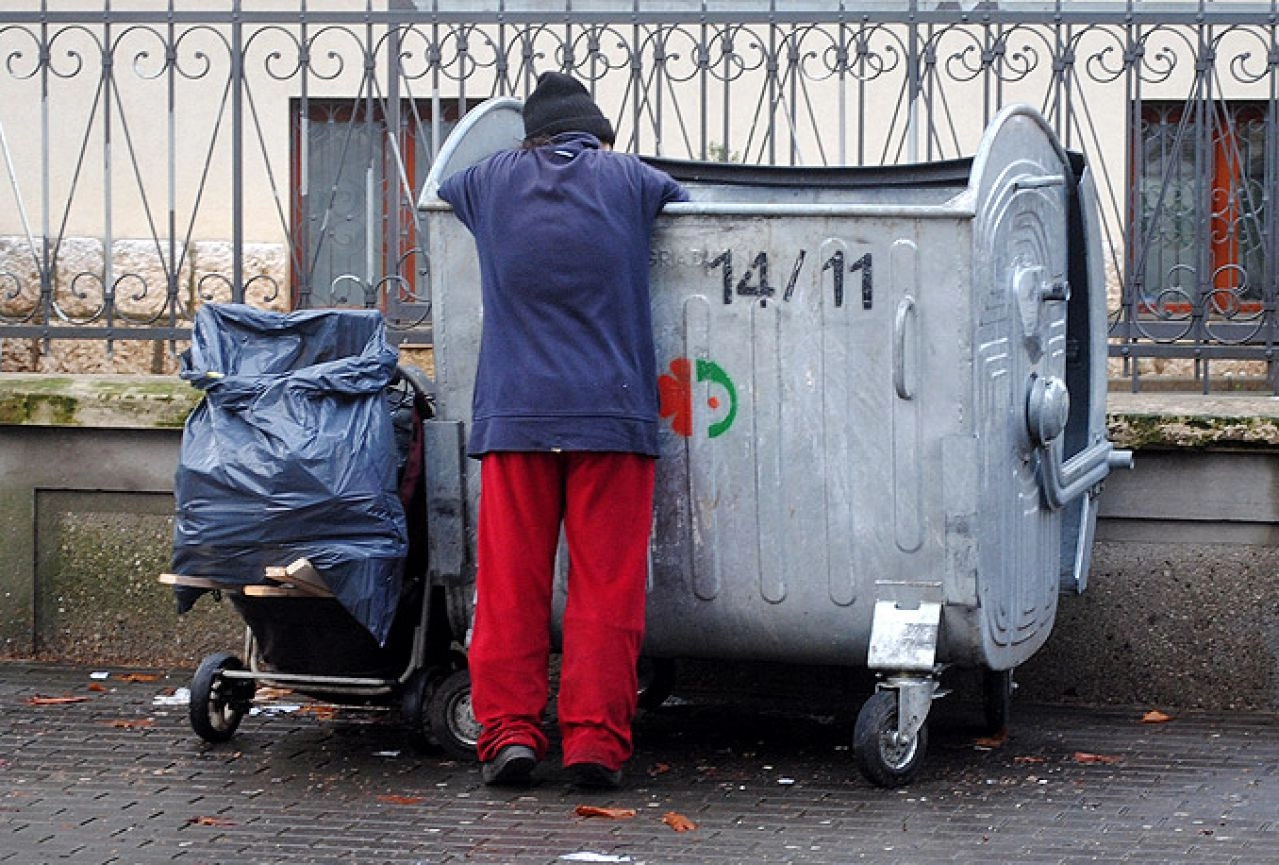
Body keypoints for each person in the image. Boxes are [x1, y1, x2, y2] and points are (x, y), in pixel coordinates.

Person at [436, 71, 688, 790]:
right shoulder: (631, 180)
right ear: (599, 135)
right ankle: (593, 744)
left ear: (532, 137)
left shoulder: (486, 183)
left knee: (511, 586)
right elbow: (698, 214)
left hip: (515, 417)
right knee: (605, 590)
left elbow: (442, 191)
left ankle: (510, 733)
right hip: (612, 418)